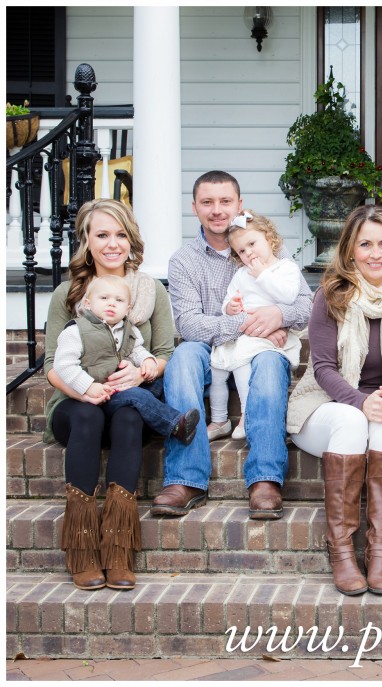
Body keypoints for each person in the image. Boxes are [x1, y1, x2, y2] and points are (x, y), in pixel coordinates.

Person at [151, 171, 312, 520]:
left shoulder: (268, 246)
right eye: (207, 202)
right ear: (194, 208)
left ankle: (265, 478)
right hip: (211, 355)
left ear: (240, 204)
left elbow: (304, 307)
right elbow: (190, 325)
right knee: (182, 355)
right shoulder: (183, 261)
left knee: (270, 363)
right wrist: (254, 323)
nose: (217, 210)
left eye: (225, 201)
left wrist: (277, 315)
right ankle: (185, 478)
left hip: (259, 355)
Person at [287, 206, 382, 596]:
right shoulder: (330, 297)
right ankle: (343, 552)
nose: (375, 253)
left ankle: (380, 551)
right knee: (353, 420)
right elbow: (325, 368)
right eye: (366, 244)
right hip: (323, 409)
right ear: (350, 251)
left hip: (377, 406)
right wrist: (360, 401)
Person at [42, 198, 175, 591]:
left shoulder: (150, 292)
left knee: (130, 416)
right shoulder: (68, 294)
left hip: (128, 403)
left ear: (131, 240)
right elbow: (52, 364)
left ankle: (118, 548)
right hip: (76, 406)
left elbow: (165, 351)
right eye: (102, 234)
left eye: (120, 234)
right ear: (86, 240)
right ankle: (82, 548)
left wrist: (142, 370)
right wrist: (84, 391)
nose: (112, 244)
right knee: (86, 415)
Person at [52, 274, 200, 445]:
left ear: (127, 308)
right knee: (136, 395)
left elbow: (137, 350)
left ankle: (153, 409)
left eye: (119, 300)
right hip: (101, 393)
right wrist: (88, 387)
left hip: (122, 388)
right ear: (88, 303)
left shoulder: (129, 330)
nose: (111, 303)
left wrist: (148, 361)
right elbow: (63, 365)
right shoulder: (76, 331)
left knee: (160, 383)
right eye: (104, 298)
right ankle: (175, 424)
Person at [209, 211, 303, 441]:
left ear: (270, 239)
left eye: (252, 244)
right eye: (242, 250)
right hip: (244, 334)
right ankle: (219, 418)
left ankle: (245, 414)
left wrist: (262, 275)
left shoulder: (286, 268)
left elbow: (289, 296)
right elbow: (229, 300)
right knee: (217, 367)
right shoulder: (242, 274)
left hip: (272, 337)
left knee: (241, 363)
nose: (248, 252)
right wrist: (230, 307)